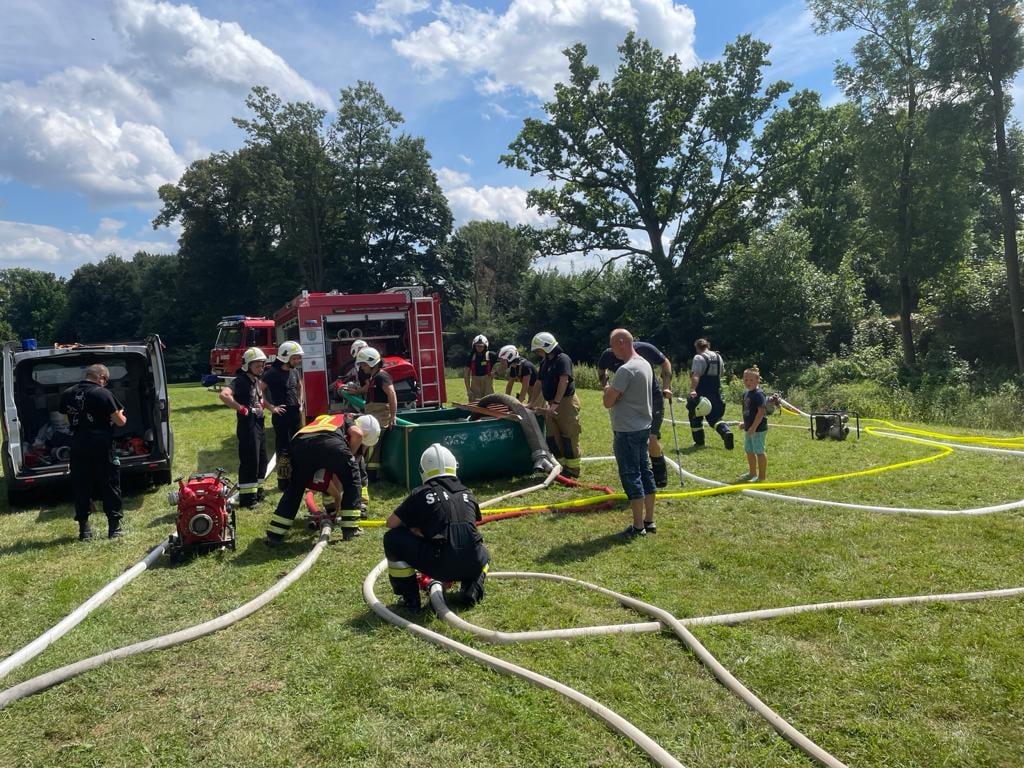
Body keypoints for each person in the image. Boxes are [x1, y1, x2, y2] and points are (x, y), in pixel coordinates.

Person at [384, 443, 490, 610]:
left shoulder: (421, 492)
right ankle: (473, 587)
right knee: (482, 551)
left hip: (440, 567)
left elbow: (391, 523)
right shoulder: (467, 493)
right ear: (453, 466)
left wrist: (415, 529)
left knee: (392, 538)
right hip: (472, 563)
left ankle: (409, 598)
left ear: (423, 470)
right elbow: (467, 528)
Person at [265, 413, 380, 545]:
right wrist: (350, 456)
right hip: (328, 441)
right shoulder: (348, 419)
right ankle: (350, 528)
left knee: (296, 487)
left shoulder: (326, 418)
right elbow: (358, 434)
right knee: (352, 478)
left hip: (299, 443)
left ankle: (275, 533)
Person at [59, 364, 127, 540]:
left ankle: (84, 530)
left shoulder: (68, 393)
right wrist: (122, 414)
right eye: (106, 380)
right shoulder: (102, 393)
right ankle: (114, 528)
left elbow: (66, 419)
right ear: (101, 377)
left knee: (81, 484)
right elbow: (120, 421)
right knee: (109, 484)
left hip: (78, 443)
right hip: (101, 444)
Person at [603, 330, 657, 538]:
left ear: (621, 342)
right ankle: (649, 520)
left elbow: (608, 401)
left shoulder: (626, 370)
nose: (611, 350)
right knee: (645, 471)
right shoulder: (644, 364)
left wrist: (607, 387)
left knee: (631, 475)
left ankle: (637, 526)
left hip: (627, 431)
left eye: (612, 345)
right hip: (643, 427)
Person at [598, 340, 673, 487]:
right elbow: (601, 371)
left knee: (651, 437)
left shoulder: (645, 348)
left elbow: (665, 363)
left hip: (651, 397)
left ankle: (659, 474)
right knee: (633, 439)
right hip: (627, 401)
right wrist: (606, 387)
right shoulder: (608, 354)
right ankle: (638, 474)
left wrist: (666, 386)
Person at [527, 332, 582, 478]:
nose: (538, 353)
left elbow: (563, 381)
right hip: (551, 404)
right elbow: (538, 383)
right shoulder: (545, 362)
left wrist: (556, 403)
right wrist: (531, 403)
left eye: (539, 350)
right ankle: (561, 466)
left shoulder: (562, 359)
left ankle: (573, 470)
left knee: (568, 436)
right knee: (552, 437)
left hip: (565, 403)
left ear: (547, 347)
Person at [219, 347, 269, 507]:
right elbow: (224, 394)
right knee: (250, 461)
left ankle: (258, 492)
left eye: (262, 365)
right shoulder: (240, 381)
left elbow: (259, 398)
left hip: (259, 424)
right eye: (257, 366)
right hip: (248, 426)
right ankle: (248, 500)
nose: (260, 368)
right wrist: (241, 408)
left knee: (262, 460)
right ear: (247, 365)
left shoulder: (255, 381)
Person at [262, 341, 304, 491]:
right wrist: (272, 407)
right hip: (281, 416)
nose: (298, 361)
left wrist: (301, 402)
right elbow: (259, 391)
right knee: (284, 449)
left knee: (298, 447)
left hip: (295, 414)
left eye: (299, 358)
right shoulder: (272, 373)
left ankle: (297, 478)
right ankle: (283, 482)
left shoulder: (294, 372)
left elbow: (300, 385)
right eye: (295, 358)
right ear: (285, 357)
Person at [356, 346, 398, 480]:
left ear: (371, 362)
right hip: (374, 415)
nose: (362, 367)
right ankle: (369, 474)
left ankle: (372, 476)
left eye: (363, 364)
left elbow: (391, 393)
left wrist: (393, 416)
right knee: (369, 444)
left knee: (373, 446)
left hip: (381, 416)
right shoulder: (375, 377)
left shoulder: (382, 376)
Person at [687, 338, 734, 450]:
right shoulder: (719, 357)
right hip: (715, 392)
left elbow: (696, 375)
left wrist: (693, 389)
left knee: (695, 416)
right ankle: (725, 432)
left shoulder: (699, 357)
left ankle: (699, 442)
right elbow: (721, 374)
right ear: (708, 345)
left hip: (701, 392)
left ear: (697, 347)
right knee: (715, 418)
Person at [740, 366, 768, 483]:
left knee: (759, 452)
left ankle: (761, 477)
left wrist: (753, 427)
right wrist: (745, 424)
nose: (748, 382)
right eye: (746, 380)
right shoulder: (746, 394)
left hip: (758, 429)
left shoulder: (759, 394)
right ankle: (752, 473)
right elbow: (748, 411)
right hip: (749, 428)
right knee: (749, 451)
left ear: (757, 380)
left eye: (751, 380)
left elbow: (761, 412)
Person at [464, 334, 498, 401]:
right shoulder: (471, 356)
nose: (479, 348)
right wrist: (468, 390)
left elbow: (503, 362)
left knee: (489, 402)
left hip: (487, 383)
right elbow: (466, 373)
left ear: (485, 346)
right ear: (474, 346)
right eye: (477, 346)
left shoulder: (491, 355)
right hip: (475, 382)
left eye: (481, 346)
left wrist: (496, 373)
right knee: (474, 402)